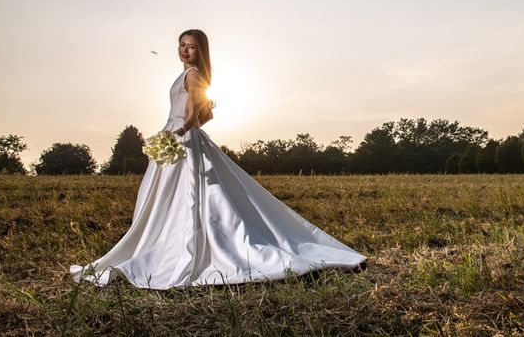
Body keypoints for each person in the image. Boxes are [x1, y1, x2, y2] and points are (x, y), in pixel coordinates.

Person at [71, 29, 366, 289]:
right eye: (181, 44)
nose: (184, 50)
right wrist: (182, 131)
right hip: (179, 136)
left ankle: (185, 247)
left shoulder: (192, 74)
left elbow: (191, 117)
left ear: (201, 51)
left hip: (179, 138)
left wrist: (178, 134)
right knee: (171, 197)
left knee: (187, 196)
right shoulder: (191, 74)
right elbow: (206, 115)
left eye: (191, 46)